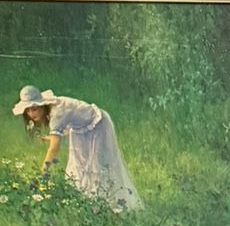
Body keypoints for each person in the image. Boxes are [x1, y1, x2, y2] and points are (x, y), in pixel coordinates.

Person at [12, 85, 142, 210]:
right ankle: (86, 202)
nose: (31, 114)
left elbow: (54, 148)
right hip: (80, 129)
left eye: (34, 109)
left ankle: (108, 204)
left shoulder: (56, 114)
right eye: (27, 110)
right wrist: (52, 137)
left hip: (98, 125)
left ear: (42, 105)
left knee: (97, 165)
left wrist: (44, 171)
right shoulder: (53, 111)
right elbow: (63, 126)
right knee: (79, 166)